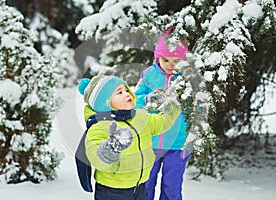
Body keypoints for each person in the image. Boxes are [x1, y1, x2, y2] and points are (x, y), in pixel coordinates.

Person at [77, 75, 182, 200]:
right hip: (112, 190)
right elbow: (95, 156)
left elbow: (163, 121)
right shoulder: (99, 127)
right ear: (105, 102)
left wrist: (175, 104)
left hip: (140, 186)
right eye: (119, 92)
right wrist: (109, 149)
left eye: (126, 90)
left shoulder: (140, 117)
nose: (127, 94)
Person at [134, 30, 191, 200]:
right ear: (157, 57)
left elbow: (197, 106)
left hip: (177, 143)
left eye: (176, 61)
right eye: (165, 59)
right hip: (151, 140)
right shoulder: (148, 74)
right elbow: (134, 98)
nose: (170, 65)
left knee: (172, 187)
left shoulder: (187, 79)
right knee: (146, 183)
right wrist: (146, 99)